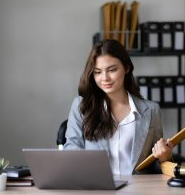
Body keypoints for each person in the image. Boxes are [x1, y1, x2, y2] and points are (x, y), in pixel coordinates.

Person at [64, 39, 173, 175]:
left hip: (139, 189)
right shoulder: (81, 106)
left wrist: (164, 157)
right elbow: (71, 152)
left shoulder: (151, 110)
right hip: (98, 188)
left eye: (112, 70)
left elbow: (154, 167)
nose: (105, 78)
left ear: (126, 68)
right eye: (97, 72)